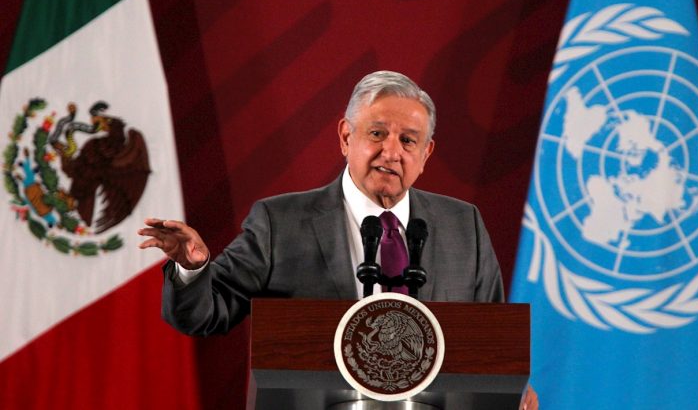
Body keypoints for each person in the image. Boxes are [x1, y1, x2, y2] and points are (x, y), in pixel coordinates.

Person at [138, 70, 537, 409]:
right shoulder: (281, 222)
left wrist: (509, 385)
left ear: (427, 152)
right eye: (377, 133)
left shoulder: (461, 224)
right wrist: (192, 269)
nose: (391, 152)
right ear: (346, 137)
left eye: (408, 140)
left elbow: (490, 340)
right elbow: (205, 313)